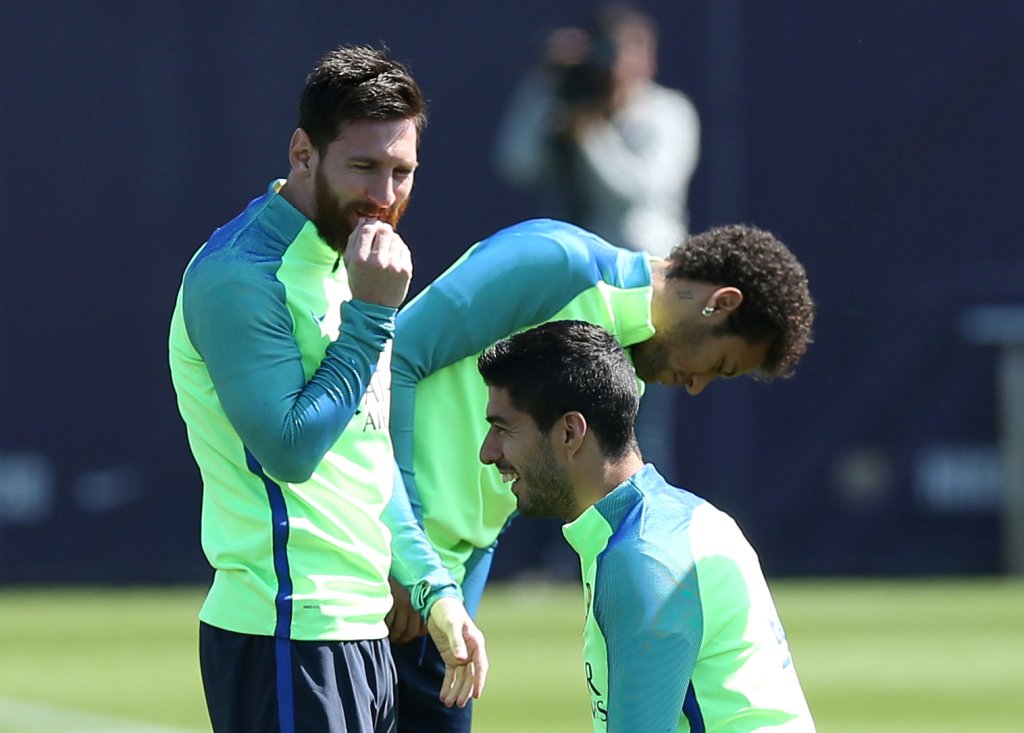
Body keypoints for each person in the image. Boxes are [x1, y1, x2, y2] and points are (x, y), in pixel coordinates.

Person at [168, 45, 486, 733]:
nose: (386, 194)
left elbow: (368, 459)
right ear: (303, 153)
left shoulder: (357, 263)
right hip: (283, 630)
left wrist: (435, 590)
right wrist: (372, 318)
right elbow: (289, 451)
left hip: (361, 630)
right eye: (365, 167)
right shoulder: (240, 274)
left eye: (403, 172)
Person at [388, 218, 815, 731]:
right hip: (377, 555)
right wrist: (405, 554)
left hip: (439, 590)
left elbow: (493, 504)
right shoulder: (556, 263)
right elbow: (390, 357)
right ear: (719, 303)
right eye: (719, 364)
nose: (697, 386)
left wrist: (444, 588)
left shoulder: (625, 377)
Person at [477, 320, 817, 732]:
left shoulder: (643, 557)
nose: (488, 452)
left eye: (503, 428)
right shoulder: (673, 521)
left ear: (570, 432)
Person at [493, 2, 702, 484]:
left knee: (639, 427)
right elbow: (517, 161)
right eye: (607, 53)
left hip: (650, 295)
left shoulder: (667, 112)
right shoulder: (567, 104)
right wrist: (543, 84)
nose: (617, 66)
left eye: (628, 53)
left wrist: (589, 133)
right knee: (563, 421)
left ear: (648, 57)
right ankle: (560, 552)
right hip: (579, 291)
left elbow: (638, 191)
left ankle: (648, 544)